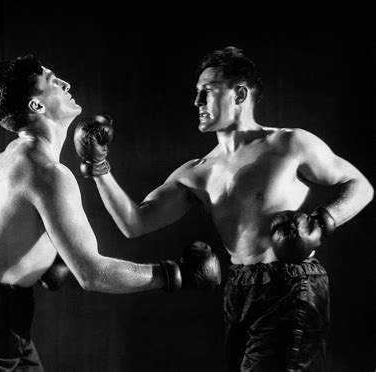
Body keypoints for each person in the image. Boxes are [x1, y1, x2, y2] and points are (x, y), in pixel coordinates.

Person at [73, 46, 374, 371]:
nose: (197, 102)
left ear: (240, 93)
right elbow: (134, 223)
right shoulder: (197, 172)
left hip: (293, 285)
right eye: (196, 93)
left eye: (207, 92)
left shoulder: (289, 144)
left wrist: (325, 220)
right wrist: (99, 167)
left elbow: (361, 186)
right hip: (239, 288)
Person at [0, 54, 221, 371]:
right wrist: (174, 274)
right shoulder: (48, 173)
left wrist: (40, 261)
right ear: (37, 106)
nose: (66, 84)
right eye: (52, 81)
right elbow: (92, 274)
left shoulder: (11, 154)